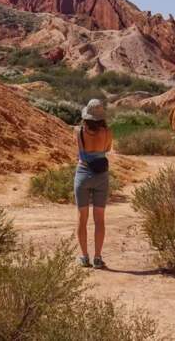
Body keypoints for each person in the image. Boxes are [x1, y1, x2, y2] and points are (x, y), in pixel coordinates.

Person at [73, 98, 112, 269]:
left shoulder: (79, 131)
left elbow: (79, 151)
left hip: (83, 173)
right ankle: (97, 257)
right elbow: (108, 149)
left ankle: (84, 257)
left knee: (82, 218)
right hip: (101, 175)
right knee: (99, 219)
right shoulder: (108, 132)